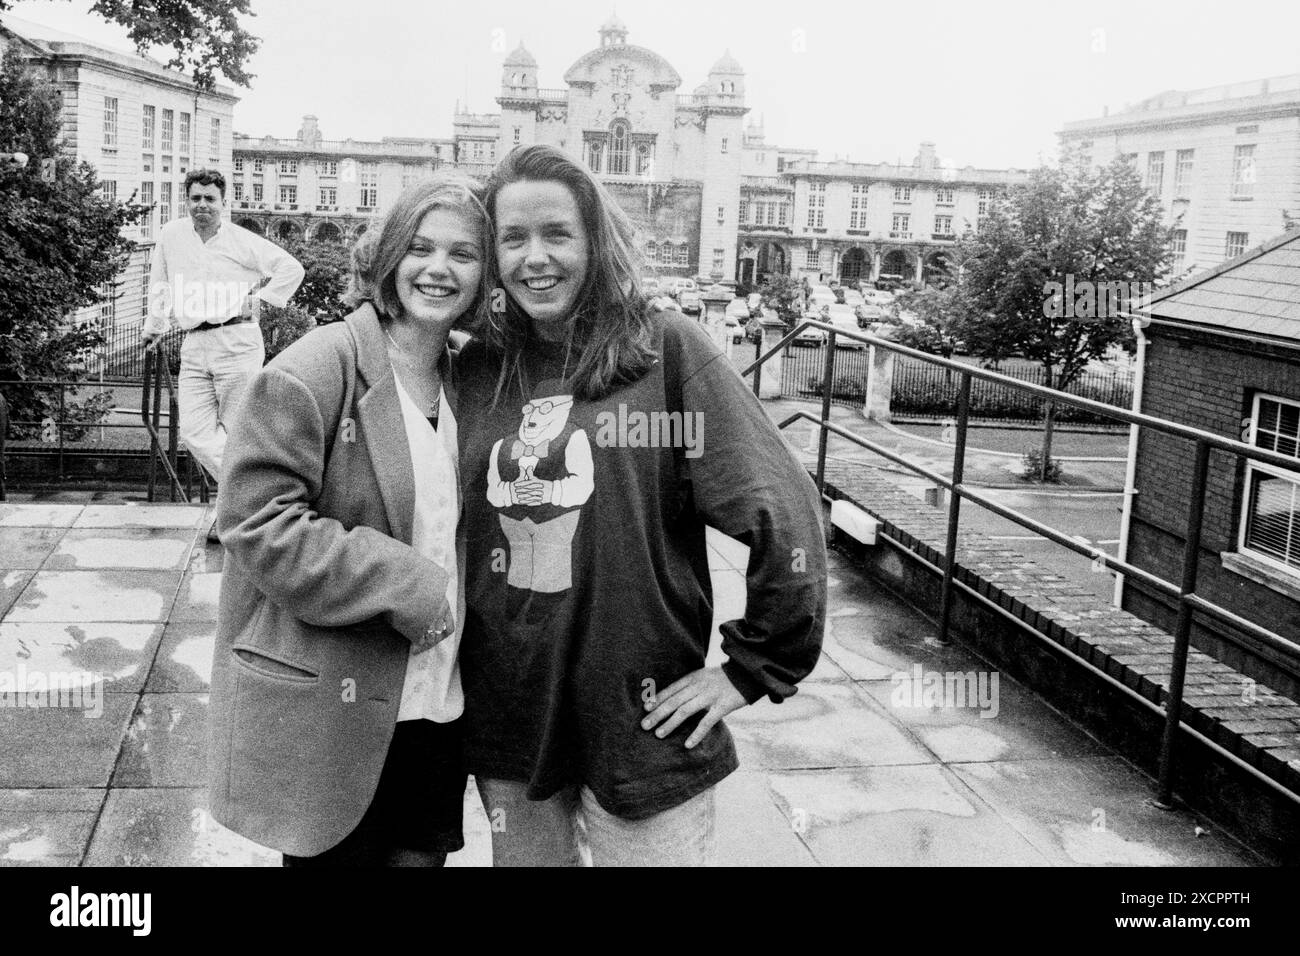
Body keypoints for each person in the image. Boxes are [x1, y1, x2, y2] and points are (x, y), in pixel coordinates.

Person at [455, 144, 827, 867]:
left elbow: (782, 509)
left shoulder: (667, 353)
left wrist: (752, 669)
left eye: (558, 234)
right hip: (510, 710)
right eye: (514, 237)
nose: (537, 257)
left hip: (645, 716)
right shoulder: (476, 367)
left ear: (596, 239)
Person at [207, 171, 491, 866]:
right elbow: (257, 526)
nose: (438, 268)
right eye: (420, 248)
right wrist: (407, 584)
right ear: (388, 256)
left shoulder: (470, 377)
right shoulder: (316, 368)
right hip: (333, 708)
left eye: (462, 253)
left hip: (436, 703)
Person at [143, 169, 305, 541]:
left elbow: (290, 268)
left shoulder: (240, 240)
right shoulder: (172, 235)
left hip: (237, 342)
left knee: (236, 430)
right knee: (194, 432)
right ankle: (252, 496)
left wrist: (260, 300)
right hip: (194, 342)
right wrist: (154, 327)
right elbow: (160, 283)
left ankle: (226, 515)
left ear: (223, 202)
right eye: (196, 198)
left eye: (210, 199)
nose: (202, 205)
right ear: (187, 200)